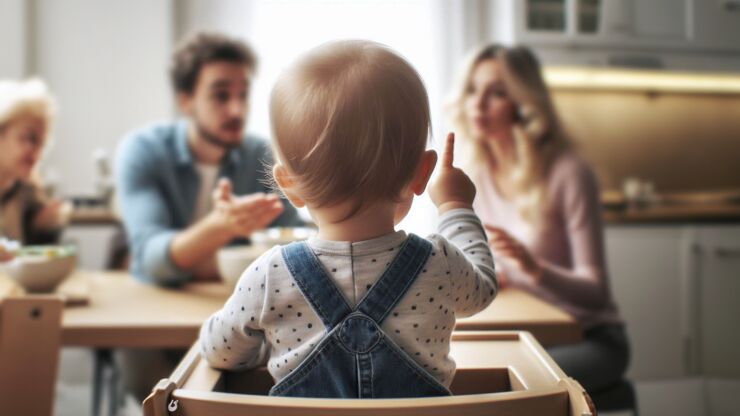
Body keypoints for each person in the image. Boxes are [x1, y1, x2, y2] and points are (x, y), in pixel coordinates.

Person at [199, 40, 497, 398]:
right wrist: (454, 205)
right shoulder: (440, 264)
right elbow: (483, 288)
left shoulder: (269, 276)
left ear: (288, 186)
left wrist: (269, 346)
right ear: (421, 175)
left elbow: (219, 351)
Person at [448, 44, 629, 393]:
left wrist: (535, 269)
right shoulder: (477, 173)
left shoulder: (569, 173)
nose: (478, 103)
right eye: (472, 89)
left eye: (497, 92)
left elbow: (596, 292)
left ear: (524, 104)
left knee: (503, 391)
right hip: (525, 334)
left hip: (590, 338)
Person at [115, 32, 302, 286]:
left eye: (243, 95)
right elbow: (150, 260)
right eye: (221, 95)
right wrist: (221, 226)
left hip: (238, 306)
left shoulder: (264, 157)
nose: (237, 110)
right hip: (160, 300)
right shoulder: (144, 149)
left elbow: (297, 250)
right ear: (185, 101)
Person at [0, 78, 69, 259]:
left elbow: (35, 261)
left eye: (41, 145)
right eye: (29, 139)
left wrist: (46, 227)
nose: (36, 155)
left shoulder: (28, 192)